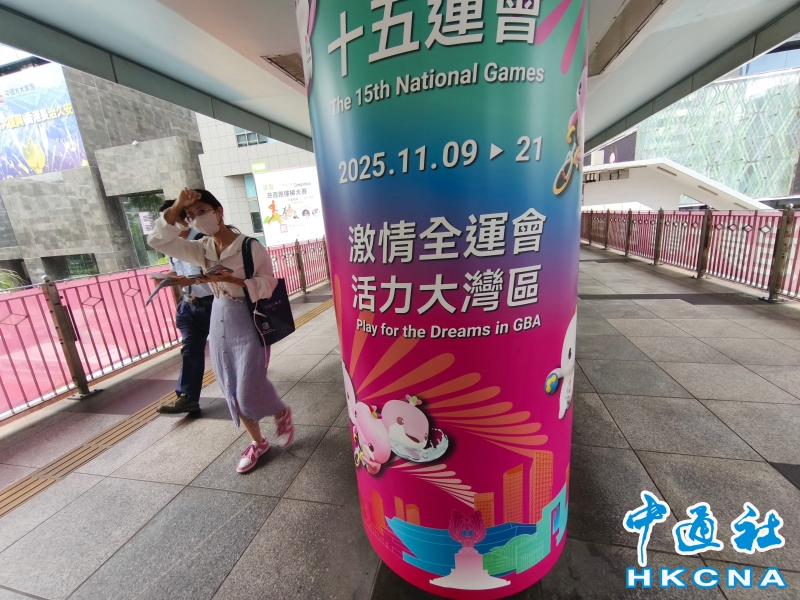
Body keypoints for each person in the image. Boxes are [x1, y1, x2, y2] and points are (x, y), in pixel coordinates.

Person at [147, 188, 294, 473]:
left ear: (219, 212)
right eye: (191, 215)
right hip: (219, 315)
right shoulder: (201, 248)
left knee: (248, 384)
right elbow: (157, 240)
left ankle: (280, 411)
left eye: (202, 211)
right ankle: (258, 442)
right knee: (230, 385)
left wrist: (236, 281)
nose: (197, 219)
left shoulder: (249, 246)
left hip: (248, 318)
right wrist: (178, 206)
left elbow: (269, 283)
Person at [153, 199, 214, 416]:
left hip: (215, 304)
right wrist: (168, 277)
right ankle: (188, 398)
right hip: (189, 306)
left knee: (227, 350)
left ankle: (244, 388)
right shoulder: (172, 246)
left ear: (183, 220)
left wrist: (193, 279)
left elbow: (221, 274)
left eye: (170, 219)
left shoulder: (204, 240)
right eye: (164, 221)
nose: (166, 225)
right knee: (190, 352)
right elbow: (179, 272)